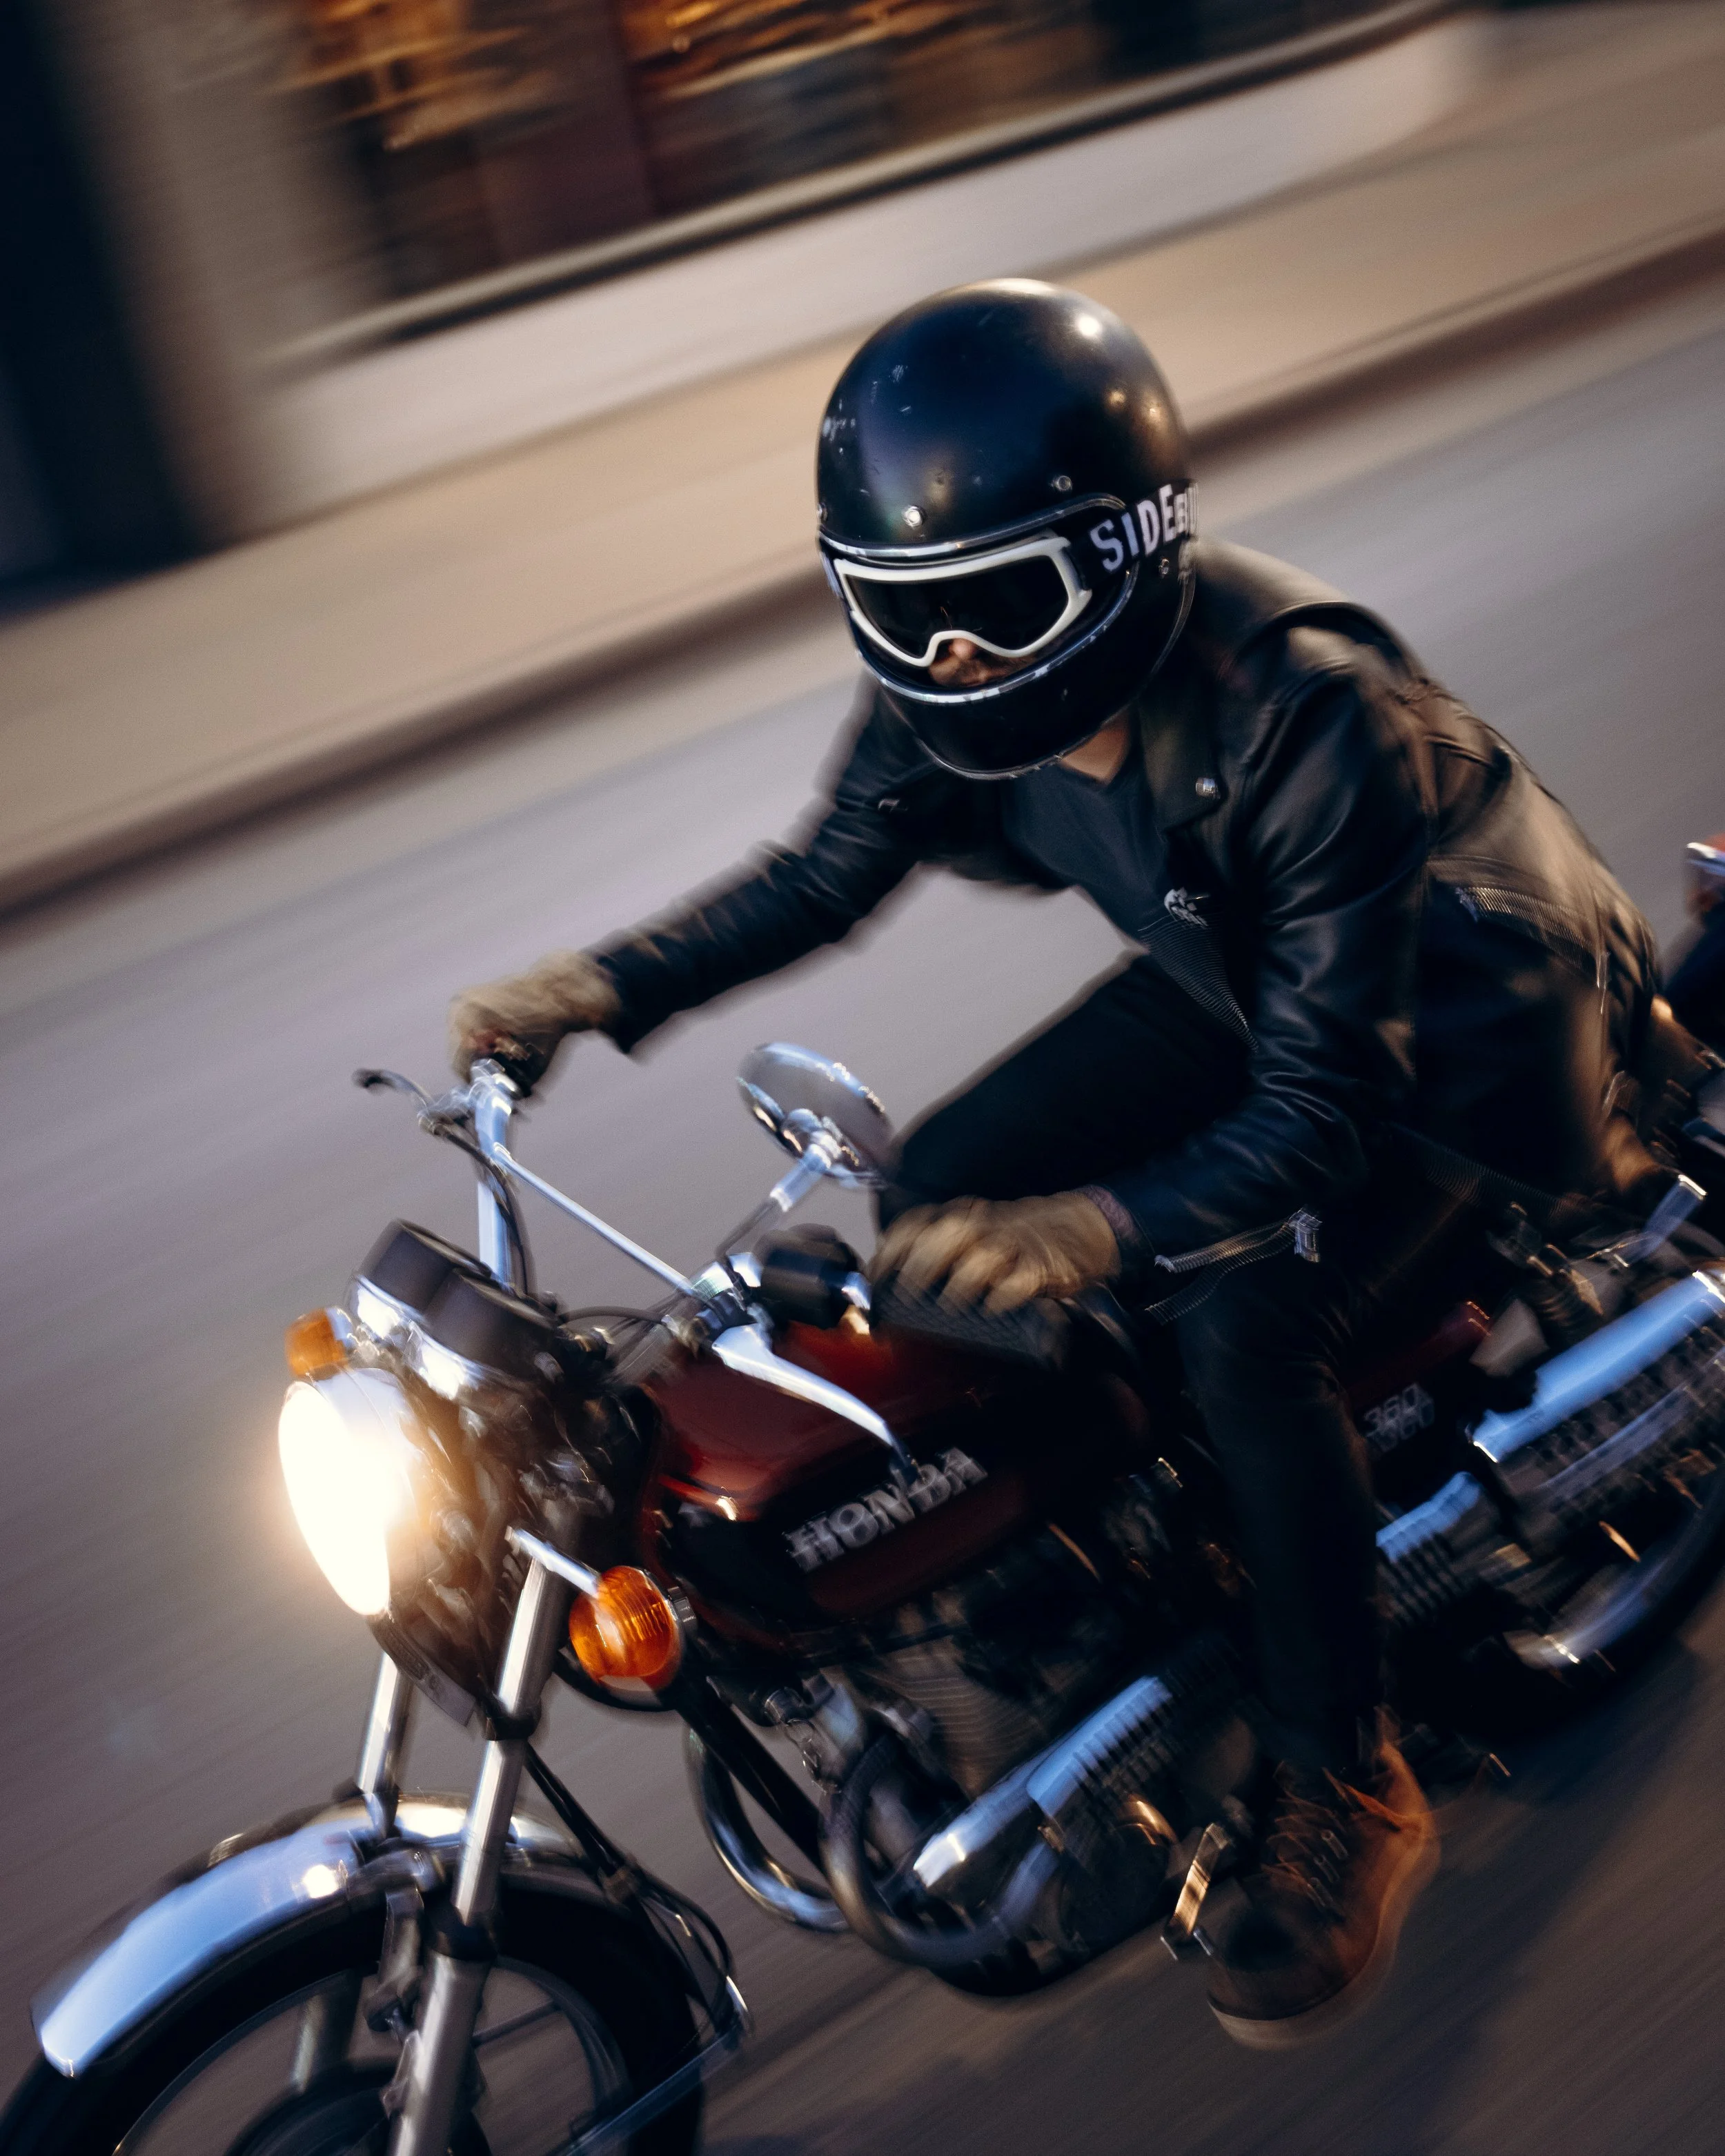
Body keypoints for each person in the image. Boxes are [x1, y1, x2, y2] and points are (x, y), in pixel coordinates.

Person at [448, 281, 1668, 2046]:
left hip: (1453, 1028)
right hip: (1247, 977)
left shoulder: (1301, 711)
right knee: (942, 1179)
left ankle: (1345, 1774)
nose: (946, 661)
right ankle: (1114, 1542)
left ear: (1124, 556)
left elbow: (1325, 1103)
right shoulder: (951, 705)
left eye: (992, 608)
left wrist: (1097, 1228)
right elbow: (821, 875)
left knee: (1249, 1329)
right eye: (900, 615)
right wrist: (602, 983)